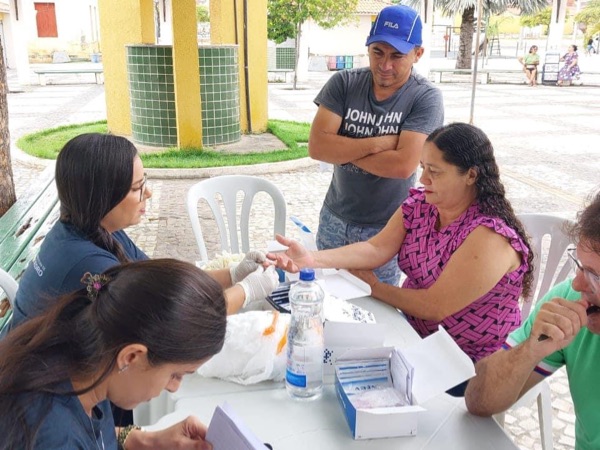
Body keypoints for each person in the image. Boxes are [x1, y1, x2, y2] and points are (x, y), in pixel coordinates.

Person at [1, 133, 278, 424]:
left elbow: (163, 285)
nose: (148, 194)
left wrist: (232, 274)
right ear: (102, 196)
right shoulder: (89, 265)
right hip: (46, 396)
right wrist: (247, 291)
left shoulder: (98, 230)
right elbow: (175, 320)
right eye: (137, 188)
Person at [270, 123, 533, 396]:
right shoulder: (423, 204)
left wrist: (376, 287)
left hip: (467, 364)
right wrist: (310, 258)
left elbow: (435, 306)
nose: (423, 179)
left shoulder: (490, 237)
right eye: (423, 167)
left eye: (435, 171)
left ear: (471, 175)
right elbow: (375, 249)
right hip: (414, 339)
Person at [0, 258, 227, 450]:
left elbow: (94, 434)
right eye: (176, 375)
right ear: (131, 356)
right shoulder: (52, 435)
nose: (174, 387)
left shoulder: (88, 364)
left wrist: (147, 440)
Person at [309, 5, 444, 286]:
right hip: (335, 217)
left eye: (397, 56)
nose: (385, 65)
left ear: (417, 54)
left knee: (377, 307)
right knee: (326, 295)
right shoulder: (344, 83)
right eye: (378, 52)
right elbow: (318, 148)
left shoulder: (425, 97)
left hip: (388, 228)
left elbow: (402, 166)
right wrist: (379, 144)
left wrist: (342, 150)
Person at [465, 192, 600, 449]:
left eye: (595, 276)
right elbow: (478, 399)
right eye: (580, 266)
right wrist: (529, 350)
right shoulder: (569, 300)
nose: (577, 283)